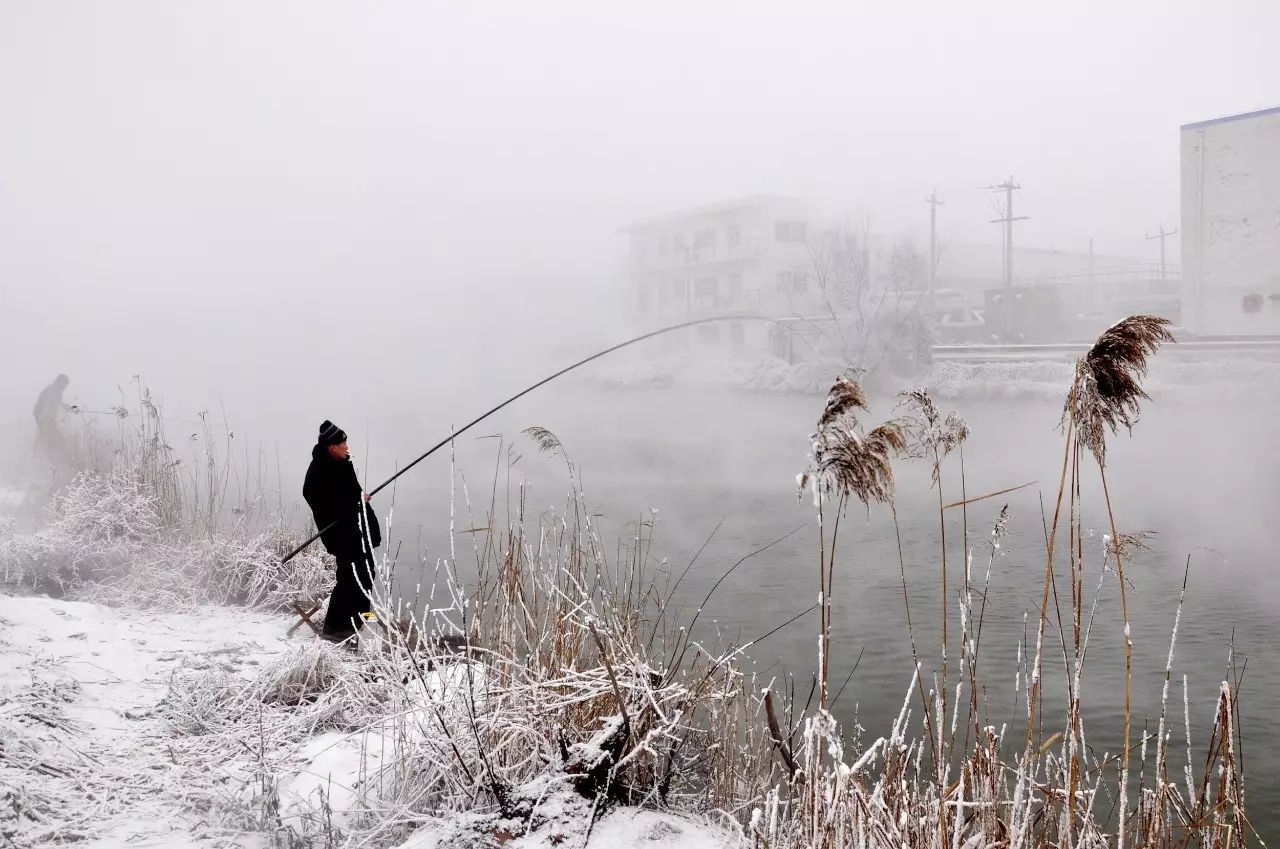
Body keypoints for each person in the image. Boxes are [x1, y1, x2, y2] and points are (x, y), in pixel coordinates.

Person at [302, 420, 382, 642]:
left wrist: (360, 500)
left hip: (357, 526)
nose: (347, 446)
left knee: (367, 571)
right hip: (340, 532)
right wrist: (351, 503)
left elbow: (351, 492)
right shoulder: (319, 469)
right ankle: (334, 630)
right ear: (331, 446)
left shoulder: (342, 462)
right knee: (349, 577)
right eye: (343, 442)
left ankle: (359, 621)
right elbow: (315, 497)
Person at [33, 374, 70, 459]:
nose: (65, 387)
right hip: (43, 416)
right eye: (65, 384)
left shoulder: (55, 389)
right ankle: (44, 456)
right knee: (49, 436)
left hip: (44, 416)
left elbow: (58, 402)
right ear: (60, 382)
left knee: (51, 436)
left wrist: (69, 408)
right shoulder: (54, 389)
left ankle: (44, 454)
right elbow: (52, 403)